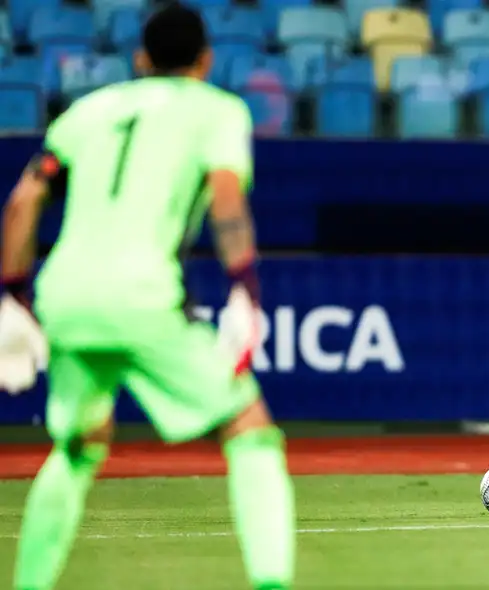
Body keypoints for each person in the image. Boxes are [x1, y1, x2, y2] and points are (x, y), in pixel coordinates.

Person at [0, 5, 295, 590]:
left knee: (79, 445)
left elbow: (22, 202)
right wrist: (245, 288)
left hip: (64, 296)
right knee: (249, 428)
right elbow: (227, 197)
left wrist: (11, 297)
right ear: (206, 62)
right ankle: (272, 584)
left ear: (140, 59)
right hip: (142, 294)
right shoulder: (218, 110)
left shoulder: (88, 111)